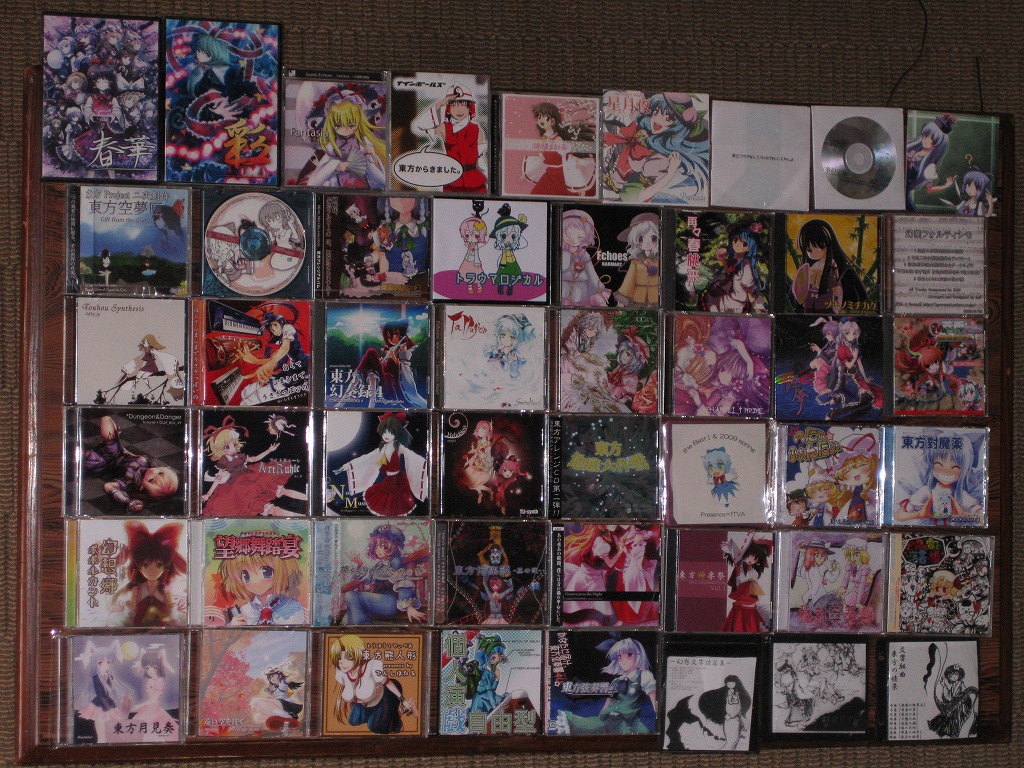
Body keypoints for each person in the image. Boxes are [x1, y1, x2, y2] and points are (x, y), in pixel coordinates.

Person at [200, 415, 306, 517]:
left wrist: (269, 450)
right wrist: (208, 494)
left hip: (252, 474)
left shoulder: (240, 456)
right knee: (267, 507)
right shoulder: (224, 461)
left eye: (234, 444)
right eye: (226, 447)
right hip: (239, 485)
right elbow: (218, 478)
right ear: (219, 449)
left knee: (281, 490)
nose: (232, 448)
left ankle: (310, 501)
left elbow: (254, 459)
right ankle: (300, 518)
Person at [557, 637, 656, 734]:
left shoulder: (644, 675)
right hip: (610, 719)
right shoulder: (617, 680)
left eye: (629, 655)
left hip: (629, 723)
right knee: (583, 725)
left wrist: (658, 716)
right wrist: (602, 714)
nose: (623, 660)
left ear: (639, 655)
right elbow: (609, 701)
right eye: (619, 656)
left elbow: (654, 698)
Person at [82, 415, 179, 514]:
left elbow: (108, 486)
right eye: (160, 473)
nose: (153, 472)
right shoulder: (145, 462)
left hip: (105, 463)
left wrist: (126, 500)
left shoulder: (130, 481)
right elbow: (129, 454)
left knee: (91, 458)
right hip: (116, 451)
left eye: (151, 480)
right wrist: (117, 439)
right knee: (106, 421)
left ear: (142, 487)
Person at [341, 412, 427, 517]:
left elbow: (411, 455)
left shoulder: (398, 447)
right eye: (384, 432)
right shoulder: (382, 448)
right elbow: (366, 457)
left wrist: (425, 463)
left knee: (395, 502)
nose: (386, 435)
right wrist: (349, 465)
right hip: (389, 479)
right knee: (385, 499)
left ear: (397, 433)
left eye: (390, 433)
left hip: (398, 480)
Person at [341, 523, 427, 624]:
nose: (378, 550)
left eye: (383, 546)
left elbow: (403, 581)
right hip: (379, 600)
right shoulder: (379, 565)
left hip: (390, 603)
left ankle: (359, 626)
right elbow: (369, 578)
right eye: (376, 546)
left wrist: (409, 607)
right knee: (350, 599)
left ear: (394, 546)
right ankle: (355, 625)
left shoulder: (395, 561)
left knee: (351, 596)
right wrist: (360, 564)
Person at [330, 635, 416, 734]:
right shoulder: (342, 673)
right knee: (353, 722)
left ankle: (403, 709)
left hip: (382, 699)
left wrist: (402, 699)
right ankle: (373, 716)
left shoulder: (373, 666)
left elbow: (388, 683)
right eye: (339, 658)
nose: (342, 663)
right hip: (363, 704)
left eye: (348, 658)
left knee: (376, 727)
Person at [411, 82, 487, 193]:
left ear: (470, 107)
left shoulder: (477, 130)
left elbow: (480, 159)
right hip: (452, 180)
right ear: (448, 108)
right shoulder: (444, 128)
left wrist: (488, 178)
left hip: (474, 181)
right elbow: (417, 127)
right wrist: (440, 103)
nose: (459, 110)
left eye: (463, 105)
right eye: (454, 105)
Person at [112, 521, 186, 626]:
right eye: (145, 565)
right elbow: (131, 615)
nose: (152, 571)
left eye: (158, 565)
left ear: (165, 567)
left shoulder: (166, 590)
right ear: (138, 567)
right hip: (139, 628)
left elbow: (171, 616)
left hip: (162, 630)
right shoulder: (137, 590)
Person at [790, 219, 868, 313]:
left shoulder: (845, 273)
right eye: (808, 249)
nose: (811, 252)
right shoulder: (807, 269)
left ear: (826, 245)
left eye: (819, 246)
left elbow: (858, 302)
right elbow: (795, 301)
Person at [523, 101, 596, 197]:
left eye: (545, 117)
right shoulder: (545, 139)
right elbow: (541, 160)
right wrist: (526, 174)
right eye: (539, 117)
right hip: (549, 175)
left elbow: (567, 158)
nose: (541, 120)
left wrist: (578, 185)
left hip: (562, 176)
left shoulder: (557, 140)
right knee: (536, 195)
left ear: (552, 121)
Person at [216, 549, 305, 625]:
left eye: (266, 571)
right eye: (246, 575)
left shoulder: (292, 607)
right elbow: (230, 637)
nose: (255, 581)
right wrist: (233, 626)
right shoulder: (246, 610)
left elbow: (293, 634)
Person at [614, 213, 661, 306]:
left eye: (653, 238)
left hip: (657, 298)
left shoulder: (660, 262)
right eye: (641, 239)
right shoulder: (636, 262)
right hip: (639, 298)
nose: (647, 243)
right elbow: (629, 281)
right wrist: (623, 299)